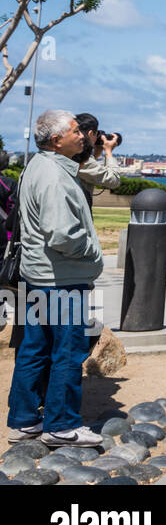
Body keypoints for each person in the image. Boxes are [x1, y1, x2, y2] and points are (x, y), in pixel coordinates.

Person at [6, 110, 104, 447]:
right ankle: (61, 424)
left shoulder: (38, 165)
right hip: (61, 277)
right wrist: (92, 253)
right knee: (67, 350)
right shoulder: (54, 174)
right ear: (56, 140)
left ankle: (24, 418)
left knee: (34, 347)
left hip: (41, 275)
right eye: (77, 131)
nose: (84, 136)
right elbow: (62, 234)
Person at [73, 114, 123, 209]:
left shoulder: (69, 151)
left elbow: (85, 170)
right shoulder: (77, 155)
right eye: (96, 134)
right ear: (91, 133)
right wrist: (108, 151)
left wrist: (96, 154)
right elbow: (113, 180)